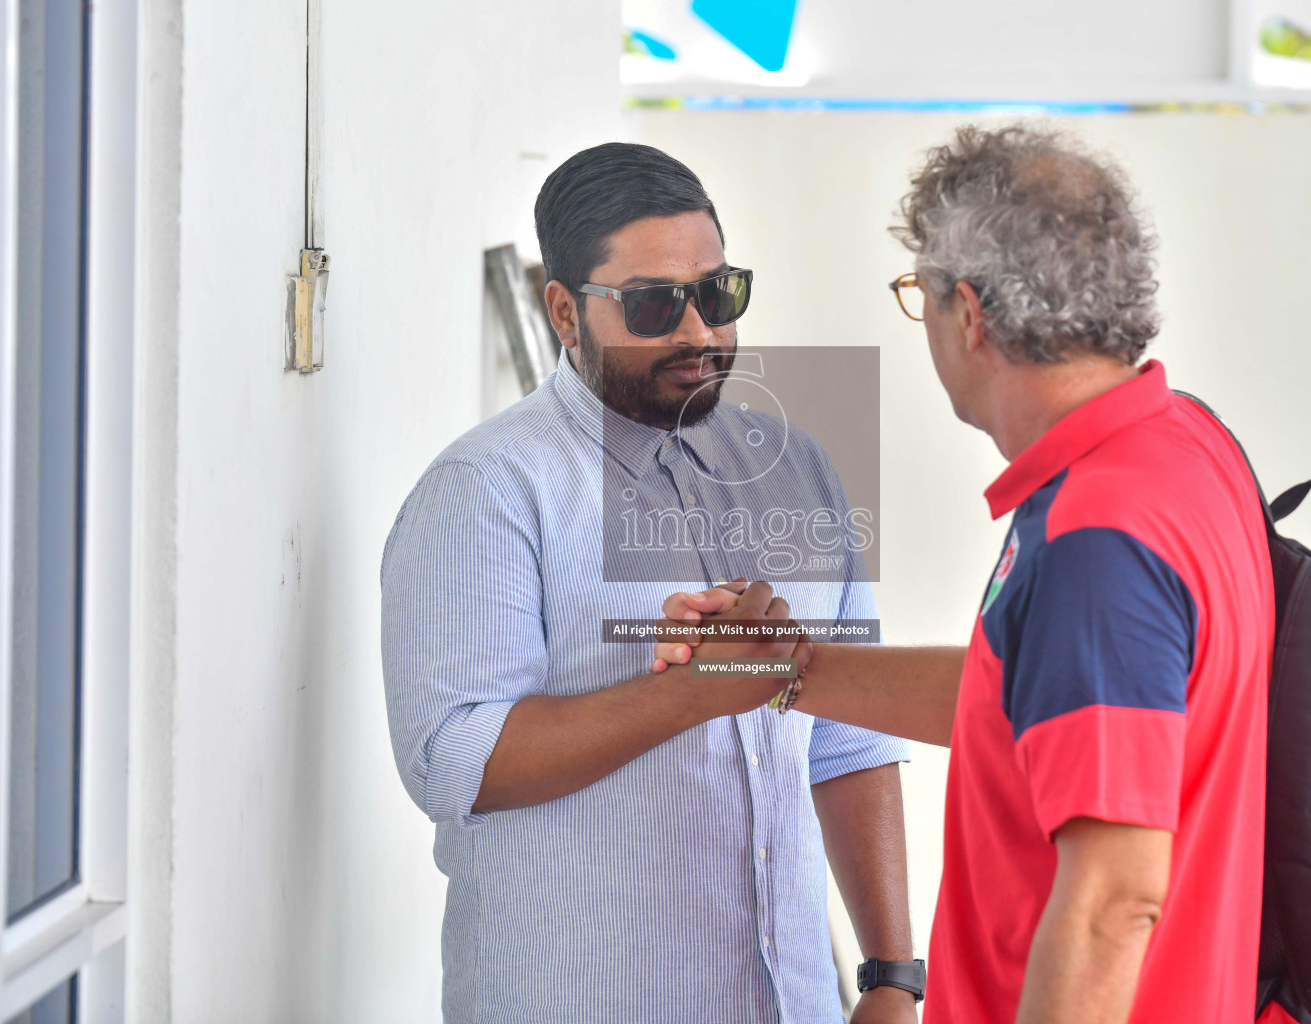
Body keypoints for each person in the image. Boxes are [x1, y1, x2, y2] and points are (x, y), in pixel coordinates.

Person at [655, 125, 1275, 1023]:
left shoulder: (1099, 540)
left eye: (924, 297)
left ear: (972, 314)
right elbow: (1035, 692)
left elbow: (1112, 905)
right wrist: (791, 668)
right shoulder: (1183, 447)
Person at [380, 142, 918, 1024]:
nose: (700, 331)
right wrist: (692, 695)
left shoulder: (797, 469)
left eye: (717, 293)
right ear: (563, 310)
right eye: (655, 303)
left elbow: (849, 739)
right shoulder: (486, 491)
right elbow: (451, 762)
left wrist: (893, 974)